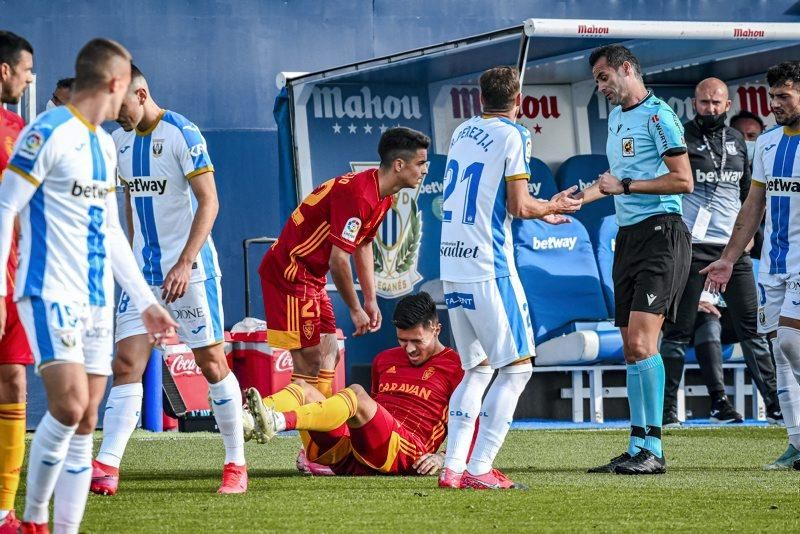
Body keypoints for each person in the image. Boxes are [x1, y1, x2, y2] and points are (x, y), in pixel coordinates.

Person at [0, 38, 176, 533]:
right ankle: (34, 517)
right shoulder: (46, 132)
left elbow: (111, 232)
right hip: (49, 291)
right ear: (117, 84)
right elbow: (5, 205)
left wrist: (145, 301)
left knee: (85, 421)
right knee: (70, 405)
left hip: (98, 301)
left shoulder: (103, 143)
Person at [89, 64, 247, 495]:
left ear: (141, 94)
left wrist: (185, 261)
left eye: (121, 106)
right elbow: (127, 204)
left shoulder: (183, 133)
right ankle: (107, 466)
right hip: (144, 276)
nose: (116, 114)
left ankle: (235, 462)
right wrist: (128, 261)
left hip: (190, 272)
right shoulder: (117, 141)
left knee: (211, 364)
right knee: (126, 364)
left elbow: (209, 202)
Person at [438, 66, 581, 490]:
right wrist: (550, 208)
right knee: (517, 369)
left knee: (477, 369)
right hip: (488, 266)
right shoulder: (514, 135)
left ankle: (452, 468)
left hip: (453, 266)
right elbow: (519, 206)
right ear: (518, 99)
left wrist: (536, 207)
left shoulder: (462, 131)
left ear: (479, 98)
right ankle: (479, 468)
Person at [578, 44, 693, 475]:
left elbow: (683, 180)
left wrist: (624, 186)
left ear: (627, 69)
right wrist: (573, 202)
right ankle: (636, 444)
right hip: (628, 238)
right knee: (631, 349)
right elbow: (610, 184)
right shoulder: (618, 118)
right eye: (597, 82)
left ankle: (655, 449)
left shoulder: (659, 115)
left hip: (662, 234)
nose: (602, 88)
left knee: (645, 344)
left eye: (605, 78)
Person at [257, 127, 429, 411]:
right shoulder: (360, 195)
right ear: (399, 165)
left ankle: (316, 439)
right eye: (420, 163)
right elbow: (339, 260)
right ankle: (255, 417)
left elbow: (362, 245)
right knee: (309, 360)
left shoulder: (384, 195)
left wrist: (370, 299)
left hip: (310, 276)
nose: (424, 170)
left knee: (330, 353)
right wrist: (354, 309)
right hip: (290, 273)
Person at [660, 78, 779, 426]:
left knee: (752, 330)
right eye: (703, 103)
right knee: (678, 332)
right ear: (693, 103)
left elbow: (747, 194)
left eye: (716, 103)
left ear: (727, 105)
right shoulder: (679, 138)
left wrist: (748, 235)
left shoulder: (738, 140)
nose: (710, 109)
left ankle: (775, 407)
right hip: (689, 249)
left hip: (731, 250)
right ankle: (666, 412)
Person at [246, 292, 464, 477]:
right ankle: (244, 418)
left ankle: (278, 421)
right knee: (303, 389)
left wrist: (443, 457)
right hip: (357, 452)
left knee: (357, 393)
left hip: (408, 454)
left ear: (436, 329)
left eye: (417, 341)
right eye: (402, 340)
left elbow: (472, 421)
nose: (409, 349)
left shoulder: (457, 366)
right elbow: (372, 413)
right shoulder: (384, 360)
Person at [704, 61, 800, 471]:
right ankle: (797, 443)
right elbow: (754, 205)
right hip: (771, 265)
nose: (774, 104)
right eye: (772, 96)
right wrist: (728, 258)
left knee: (794, 344)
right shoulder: (767, 143)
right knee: (779, 350)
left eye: (784, 96)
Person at [0, 30, 33, 534]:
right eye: (25, 70)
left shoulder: (20, 127)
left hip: (14, 278)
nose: (29, 78)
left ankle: (4, 509)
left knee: (13, 380)